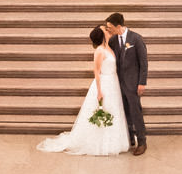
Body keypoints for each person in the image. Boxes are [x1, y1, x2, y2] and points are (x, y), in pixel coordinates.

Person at [37, 26, 130, 156]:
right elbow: (96, 72)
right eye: (105, 30)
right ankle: (100, 144)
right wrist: (99, 91)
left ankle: (116, 141)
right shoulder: (99, 51)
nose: (108, 31)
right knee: (104, 109)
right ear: (102, 36)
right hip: (104, 83)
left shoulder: (109, 47)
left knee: (114, 109)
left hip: (114, 83)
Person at [105, 11, 147, 154]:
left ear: (118, 26)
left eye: (110, 27)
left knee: (136, 112)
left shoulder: (136, 39)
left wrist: (142, 82)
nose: (108, 30)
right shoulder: (113, 40)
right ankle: (130, 138)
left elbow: (143, 63)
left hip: (133, 83)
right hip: (119, 83)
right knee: (124, 112)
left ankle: (142, 142)